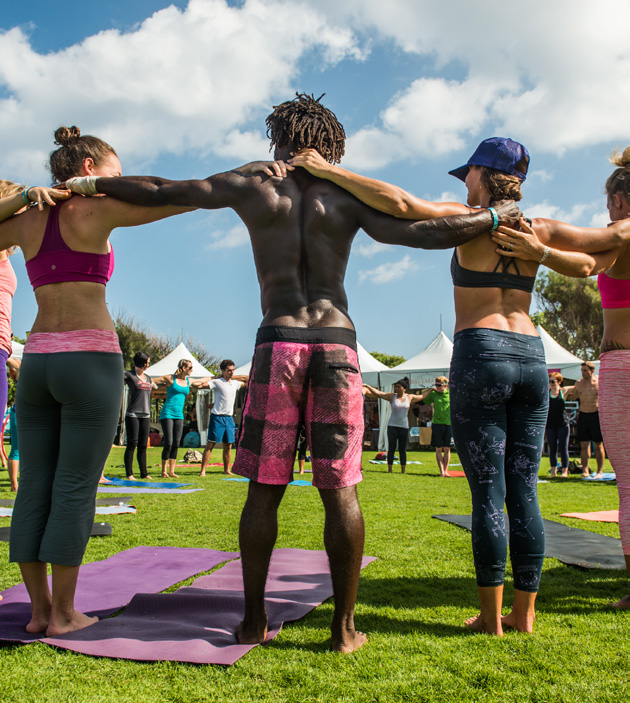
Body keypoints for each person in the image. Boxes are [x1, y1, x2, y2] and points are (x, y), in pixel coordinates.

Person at [64, 94, 520, 652]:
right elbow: (421, 233)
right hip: (336, 343)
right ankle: (344, 628)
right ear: (332, 146)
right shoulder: (346, 191)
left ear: (279, 137)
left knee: (263, 487)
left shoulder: (255, 180)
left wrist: (85, 186)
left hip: (278, 340)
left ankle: (253, 621)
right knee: (341, 488)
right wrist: (494, 216)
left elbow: (163, 190)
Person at [284, 135, 630, 635]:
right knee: (524, 491)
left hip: (482, 355)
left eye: (467, 173)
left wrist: (329, 170)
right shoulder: (542, 228)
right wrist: (541, 250)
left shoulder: (471, 223)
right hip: (532, 359)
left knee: (488, 493)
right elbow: (602, 250)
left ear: (485, 175)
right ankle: (524, 615)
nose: (464, 183)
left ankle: (490, 619)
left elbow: (400, 203)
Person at [1, 125, 193, 636]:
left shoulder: (26, 219)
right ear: (89, 170)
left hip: (38, 360)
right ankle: (63, 614)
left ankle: (40, 610)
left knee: (34, 487)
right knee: (74, 489)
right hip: (89, 357)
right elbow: (173, 198)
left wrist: (21, 200)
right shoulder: (97, 208)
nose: (120, 181)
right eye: (114, 172)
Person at [488, 145, 630, 609]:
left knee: (626, 483)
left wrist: (537, 247)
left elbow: (586, 261)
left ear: (619, 200)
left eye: (609, 202)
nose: (607, 211)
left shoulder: (623, 230)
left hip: (625, 365)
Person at [154, 359, 206, 478]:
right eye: (190, 367)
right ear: (184, 368)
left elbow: (202, 381)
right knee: (168, 442)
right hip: (167, 413)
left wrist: (216, 377)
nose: (192, 369)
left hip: (179, 415)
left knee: (177, 443)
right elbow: (153, 380)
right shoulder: (170, 379)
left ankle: (171, 471)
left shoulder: (189, 381)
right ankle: (163, 471)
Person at [197, 359, 248, 477]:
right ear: (223, 371)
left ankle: (226, 470)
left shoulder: (235, 383)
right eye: (229, 370)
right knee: (210, 445)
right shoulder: (217, 382)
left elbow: (247, 378)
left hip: (229, 418)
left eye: (233, 370)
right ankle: (203, 471)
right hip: (217, 418)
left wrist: (235, 376)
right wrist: (215, 376)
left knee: (228, 445)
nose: (232, 373)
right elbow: (198, 384)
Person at [362, 378, 424, 473]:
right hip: (392, 426)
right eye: (396, 387)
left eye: (399, 387)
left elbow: (422, 396)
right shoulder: (392, 397)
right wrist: (368, 386)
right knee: (391, 448)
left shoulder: (409, 397)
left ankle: (403, 470)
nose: (396, 388)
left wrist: (432, 390)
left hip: (404, 427)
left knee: (402, 449)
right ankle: (390, 469)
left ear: (404, 389)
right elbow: (379, 393)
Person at [564, 362, 604, 478]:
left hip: (596, 415)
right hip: (583, 415)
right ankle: (585, 470)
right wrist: (564, 392)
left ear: (592, 370)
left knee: (598, 444)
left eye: (585, 370)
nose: (583, 373)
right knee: (584, 444)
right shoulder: (579, 383)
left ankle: (599, 471)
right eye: (582, 370)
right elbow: (573, 396)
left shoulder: (599, 382)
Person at [123, 351, 158, 480]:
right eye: (147, 363)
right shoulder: (129, 375)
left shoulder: (148, 377)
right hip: (133, 414)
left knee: (143, 445)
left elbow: (154, 385)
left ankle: (144, 473)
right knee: (132, 443)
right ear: (141, 363)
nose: (148, 365)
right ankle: (129, 474)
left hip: (145, 415)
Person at [417, 377, 452, 477]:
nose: (436, 387)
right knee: (438, 449)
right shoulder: (434, 394)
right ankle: (441, 471)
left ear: (445, 385)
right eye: (436, 385)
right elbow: (423, 400)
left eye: (439, 385)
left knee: (447, 449)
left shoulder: (450, 394)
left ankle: (446, 471)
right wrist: (430, 390)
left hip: (448, 424)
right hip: (437, 423)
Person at [546, 372, 572, 478]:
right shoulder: (546, 393)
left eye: (553, 381)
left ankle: (565, 471)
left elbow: (576, 386)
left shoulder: (563, 391)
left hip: (563, 424)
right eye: (550, 381)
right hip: (550, 425)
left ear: (559, 382)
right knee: (552, 448)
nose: (551, 383)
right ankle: (553, 472)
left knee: (563, 447)